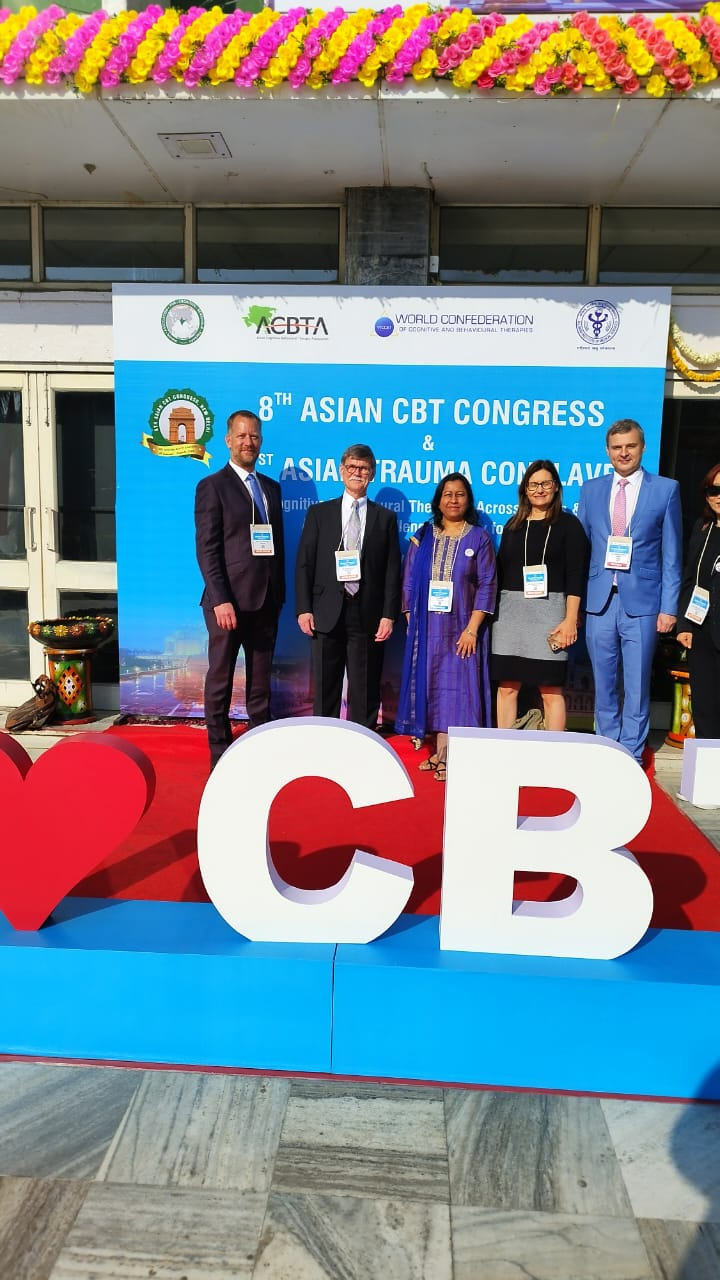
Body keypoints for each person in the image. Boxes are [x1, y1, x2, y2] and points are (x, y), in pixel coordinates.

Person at [578, 418, 682, 765]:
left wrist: (669, 607)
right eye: (617, 447)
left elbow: (672, 555)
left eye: (630, 446)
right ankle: (608, 751)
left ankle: (632, 756)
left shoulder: (666, 490)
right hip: (599, 601)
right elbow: (582, 550)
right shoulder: (591, 489)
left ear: (642, 447)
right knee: (603, 682)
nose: (623, 453)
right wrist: (575, 605)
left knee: (637, 685)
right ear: (608, 451)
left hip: (643, 602)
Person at [195, 409, 285, 769]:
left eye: (255, 436)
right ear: (228, 440)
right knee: (221, 678)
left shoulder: (271, 489)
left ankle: (258, 746)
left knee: (260, 682)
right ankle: (220, 752)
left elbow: (275, 547)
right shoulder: (212, 486)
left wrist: (278, 594)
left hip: (266, 601)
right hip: (227, 605)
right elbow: (207, 549)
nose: (249, 442)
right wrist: (221, 600)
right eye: (242, 436)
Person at [396, 473, 496, 781]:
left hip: (462, 628)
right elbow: (408, 582)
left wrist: (472, 629)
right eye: (448, 494)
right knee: (433, 687)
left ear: (469, 500)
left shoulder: (478, 538)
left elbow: (487, 584)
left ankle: (450, 755)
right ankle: (439, 749)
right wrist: (413, 623)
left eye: (460, 494)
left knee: (460, 690)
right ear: (438, 500)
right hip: (427, 629)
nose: (453, 500)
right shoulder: (423, 536)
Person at [295, 443, 401, 728]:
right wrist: (303, 609)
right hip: (326, 611)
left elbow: (392, 571)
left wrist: (388, 615)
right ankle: (325, 737)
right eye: (352, 467)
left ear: (372, 474)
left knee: (364, 687)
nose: (357, 473)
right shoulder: (319, 513)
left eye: (364, 468)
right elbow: (304, 564)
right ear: (341, 471)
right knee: (325, 685)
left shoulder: (385, 518)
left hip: (367, 614)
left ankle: (362, 738)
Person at [492, 460, 589, 732]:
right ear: (525, 489)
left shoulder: (569, 525)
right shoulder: (513, 525)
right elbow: (501, 571)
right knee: (507, 688)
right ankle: (504, 745)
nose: (540, 489)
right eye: (533, 484)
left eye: (546, 483)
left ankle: (554, 750)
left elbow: (576, 575)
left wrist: (570, 619)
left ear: (556, 487)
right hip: (510, 617)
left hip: (550, 616)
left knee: (550, 690)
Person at [676, 463, 720, 741]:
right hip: (701, 630)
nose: (719, 496)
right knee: (704, 707)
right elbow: (689, 579)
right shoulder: (702, 528)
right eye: (713, 490)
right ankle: (709, 764)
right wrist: (684, 624)